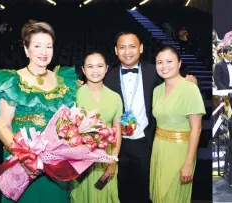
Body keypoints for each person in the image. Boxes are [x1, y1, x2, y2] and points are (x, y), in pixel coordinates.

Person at [104, 31, 196, 203]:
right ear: (116, 51)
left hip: (147, 144)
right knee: (121, 191)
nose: (127, 51)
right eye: (122, 47)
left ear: (141, 48)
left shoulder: (156, 72)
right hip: (118, 145)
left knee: (147, 193)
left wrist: (191, 81)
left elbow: (176, 81)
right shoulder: (107, 78)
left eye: (132, 46)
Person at [0, 20, 76, 203]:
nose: (44, 52)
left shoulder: (64, 81)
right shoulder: (11, 81)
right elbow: (3, 126)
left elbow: (71, 125)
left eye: (49, 46)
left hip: (54, 166)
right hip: (22, 167)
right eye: (37, 46)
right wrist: (26, 157)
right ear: (26, 49)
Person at [148, 46, 206, 202]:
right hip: (159, 148)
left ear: (179, 63)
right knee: (159, 195)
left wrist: (188, 163)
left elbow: (197, 129)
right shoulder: (157, 90)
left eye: (169, 61)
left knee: (173, 196)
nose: (164, 66)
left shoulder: (190, 89)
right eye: (160, 62)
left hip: (180, 151)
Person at [71, 52, 124, 203]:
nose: (95, 70)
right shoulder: (75, 93)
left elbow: (117, 131)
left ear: (106, 68)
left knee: (105, 195)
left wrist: (113, 160)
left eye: (100, 66)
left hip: (106, 156)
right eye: (90, 66)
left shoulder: (115, 97)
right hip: (81, 157)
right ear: (83, 69)